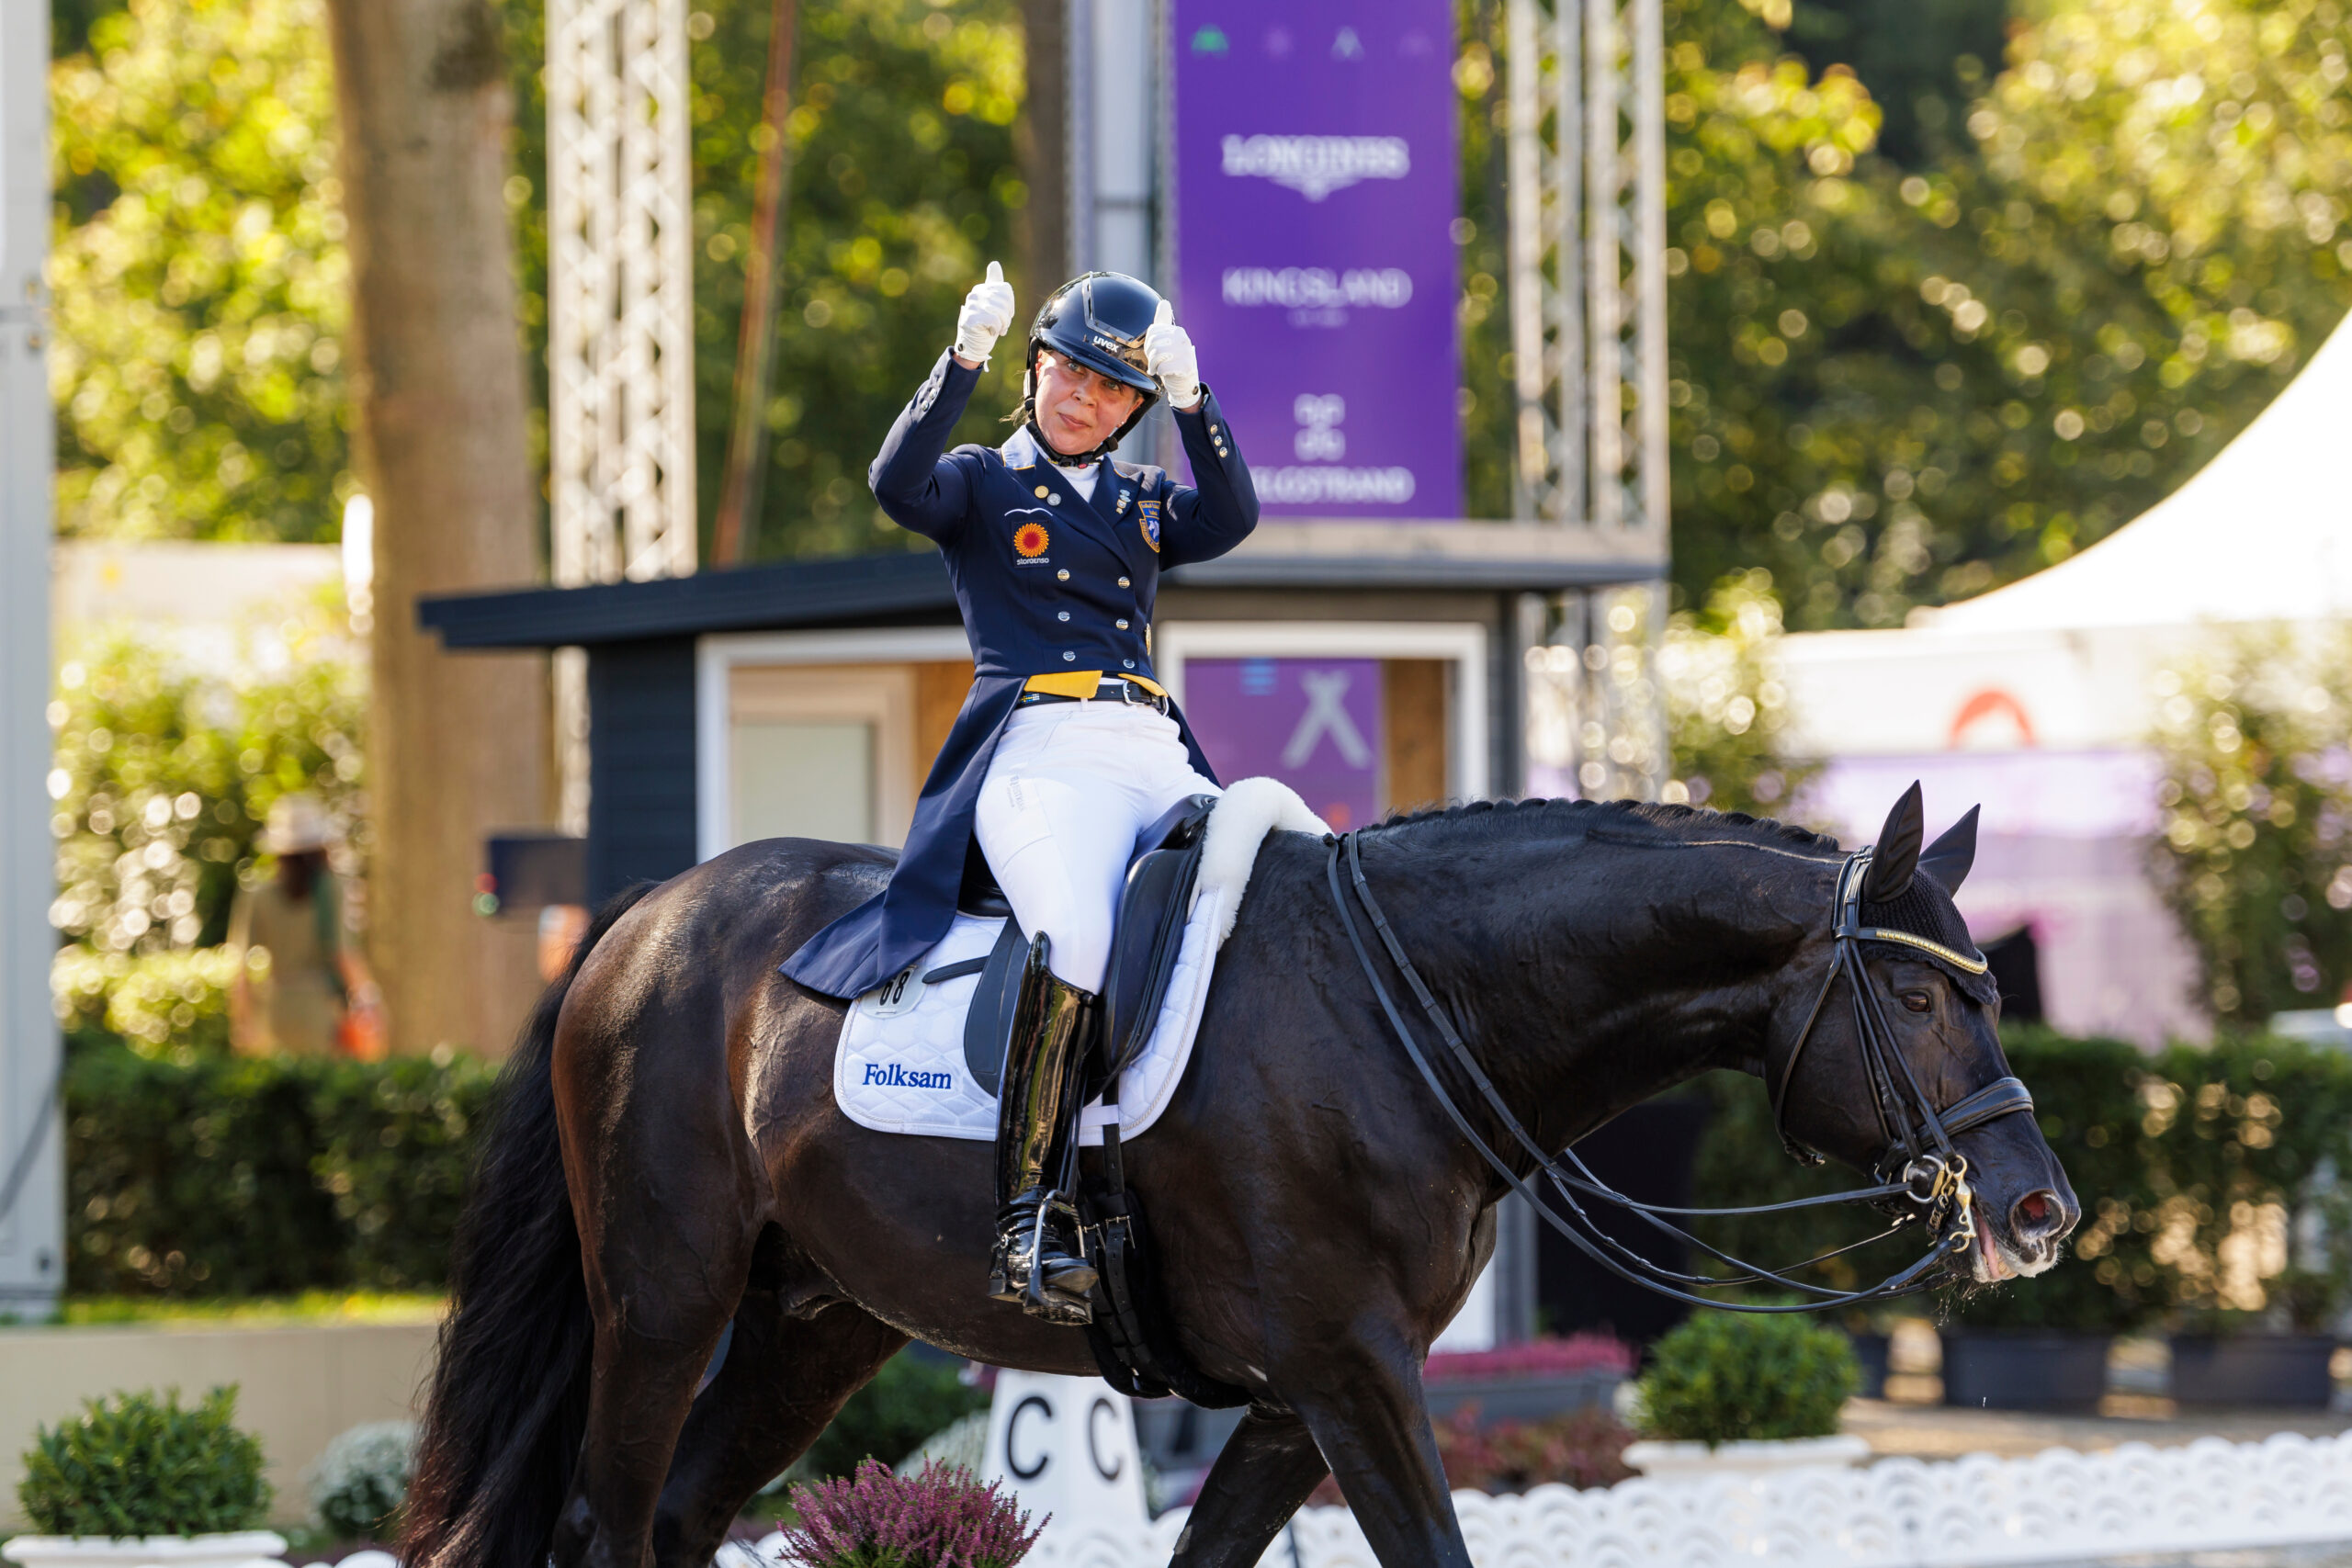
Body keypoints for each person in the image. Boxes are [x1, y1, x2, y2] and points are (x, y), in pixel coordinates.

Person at [782, 264, 1259, 1321]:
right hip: (1040, 746)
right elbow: (893, 486)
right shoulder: (981, 482)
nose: (1086, 401)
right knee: (1076, 938)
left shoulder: (1141, 497)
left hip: (1149, 745)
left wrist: (1195, 402)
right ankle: (1029, 1215)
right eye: (1073, 376)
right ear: (1037, 365)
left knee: (1265, 900)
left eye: (1112, 392)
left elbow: (1229, 521)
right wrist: (958, 360)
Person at [227, 793, 383, 1058]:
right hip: (320, 1009)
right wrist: (371, 1001)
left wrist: (242, 1024)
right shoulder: (332, 888)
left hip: (274, 1011)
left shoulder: (257, 895)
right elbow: (344, 955)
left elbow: (239, 969)